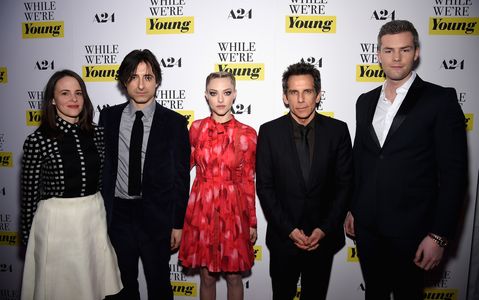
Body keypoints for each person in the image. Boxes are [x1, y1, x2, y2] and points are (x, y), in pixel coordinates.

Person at [344, 20, 468, 300]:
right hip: (368, 228)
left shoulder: (440, 99)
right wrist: (353, 208)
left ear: (416, 52)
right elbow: (361, 160)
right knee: (373, 294)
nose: (396, 57)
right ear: (378, 55)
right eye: (388, 50)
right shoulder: (365, 101)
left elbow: (454, 175)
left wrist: (439, 235)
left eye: (404, 49)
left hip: (413, 230)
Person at [20, 69, 122, 300]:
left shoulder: (97, 133)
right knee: (58, 289)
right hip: (57, 224)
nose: (73, 99)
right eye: (65, 93)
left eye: (78, 93)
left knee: (92, 287)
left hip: (93, 217)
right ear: (53, 100)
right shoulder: (37, 140)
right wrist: (28, 239)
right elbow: (29, 194)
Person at [256, 62, 353, 300]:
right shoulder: (269, 132)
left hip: (323, 239)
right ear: (285, 97)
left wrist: (324, 229)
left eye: (307, 91)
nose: (301, 99)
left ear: (318, 95)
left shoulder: (338, 131)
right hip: (283, 239)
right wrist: (289, 230)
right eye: (294, 92)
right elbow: (265, 188)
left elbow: (345, 185)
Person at [99, 49, 190, 300]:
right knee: (121, 285)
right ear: (124, 81)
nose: (141, 84)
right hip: (118, 215)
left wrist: (177, 223)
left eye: (148, 77)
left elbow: (182, 177)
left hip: (156, 215)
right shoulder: (108, 117)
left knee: (159, 284)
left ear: (157, 81)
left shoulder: (174, 122)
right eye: (134, 77)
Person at [179, 71, 257, 300]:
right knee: (207, 277)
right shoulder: (196, 129)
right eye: (214, 93)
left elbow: (248, 180)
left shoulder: (248, 134)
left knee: (234, 277)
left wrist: (251, 221)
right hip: (201, 208)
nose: (220, 100)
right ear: (206, 96)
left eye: (226, 93)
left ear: (234, 95)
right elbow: (181, 171)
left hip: (234, 209)